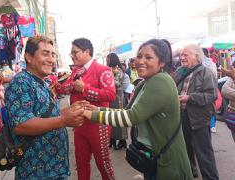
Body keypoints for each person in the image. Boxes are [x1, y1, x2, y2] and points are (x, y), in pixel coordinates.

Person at [82, 39, 192, 180]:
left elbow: (130, 118)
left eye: (149, 57)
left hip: (167, 162)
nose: (140, 61)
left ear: (162, 62)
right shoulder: (144, 83)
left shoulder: (161, 81)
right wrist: (98, 109)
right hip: (152, 158)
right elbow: (126, 110)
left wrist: (91, 115)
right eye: (139, 56)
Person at [5, 36, 85, 179]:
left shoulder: (41, 82)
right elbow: (21, 125)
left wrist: (68, 111)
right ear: (28, 57)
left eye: (53, 54)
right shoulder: (21, 83)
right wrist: (63, 120)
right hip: (36, 172)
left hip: (55, 168)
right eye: (45, 53)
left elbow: (42, 114)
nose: (51, 59)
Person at [56, 38, 116, 180]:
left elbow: (111, 94)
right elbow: (65, 89)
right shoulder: (76, 71)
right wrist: (57, 84)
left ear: (87, 52)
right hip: (79, 124)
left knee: (103, 164)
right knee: (81, 162)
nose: (72, 55)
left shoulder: (103, 70)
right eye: (71, 53)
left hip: (98, 124)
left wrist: (85, 88)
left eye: (75, 52)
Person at [174, 44, 219, 179]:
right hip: (182, 117)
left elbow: (212, 95)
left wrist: (190, 98)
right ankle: (191, 172)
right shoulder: (179, 72)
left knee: (204, 154)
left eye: (185, 54)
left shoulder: (206, 72)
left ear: (196, 56)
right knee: (186, 149)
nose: (182, 57)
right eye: (181, 55)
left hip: (199, 118)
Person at [106, 53, 127, 150]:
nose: (107, 61)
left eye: (108, 60)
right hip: (110, 99)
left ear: (112, 60)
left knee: (120, 119)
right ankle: (112, 139)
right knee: (111, 119)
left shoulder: (119, 71)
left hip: (118, 99)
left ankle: (122, 141)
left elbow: (117, 84)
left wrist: (110, 75)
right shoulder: (108, 70)